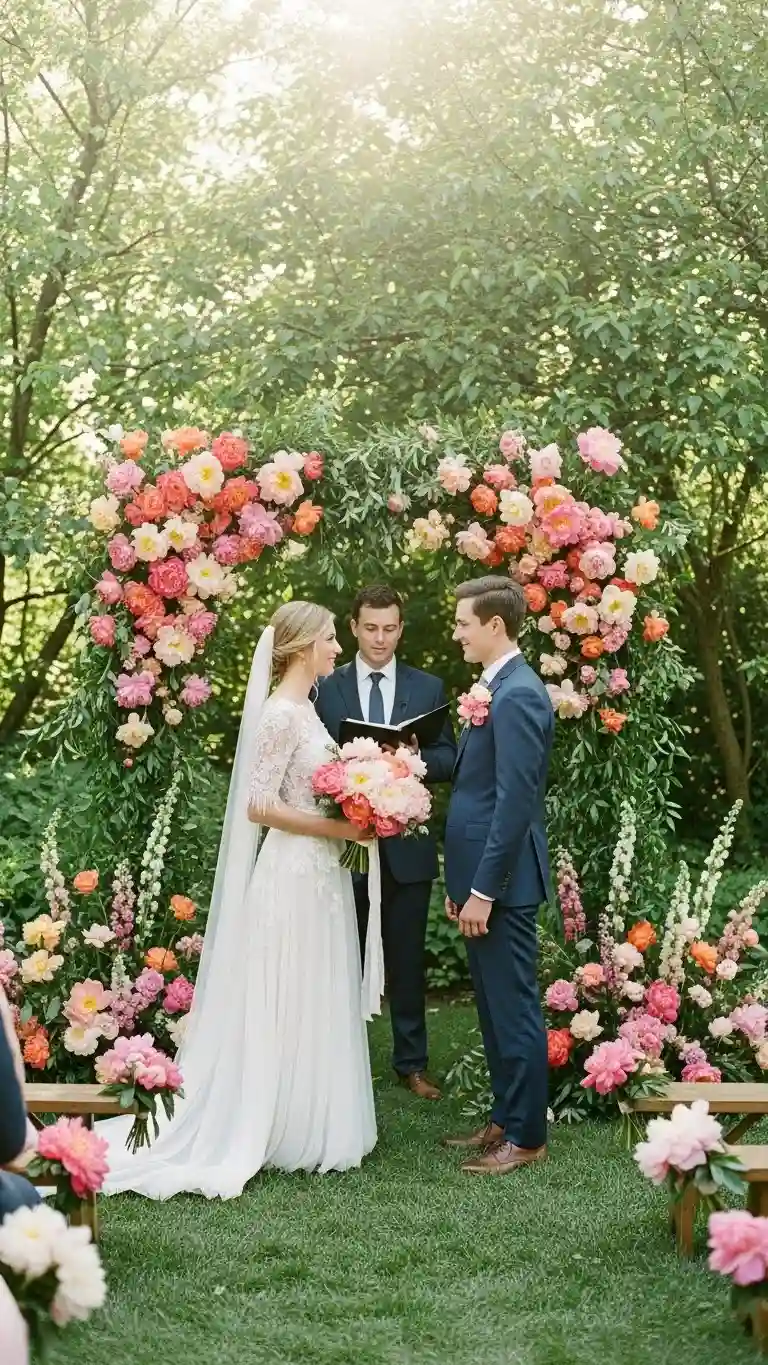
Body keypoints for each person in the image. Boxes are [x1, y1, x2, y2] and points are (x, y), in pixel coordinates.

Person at [100, 602, 377, 1199]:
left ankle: (308, 1118)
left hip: (321, 876)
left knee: (314, 987)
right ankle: (269, 1121)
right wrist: (341, 830)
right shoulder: (279, 715)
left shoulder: (307, 711)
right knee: (284, 990)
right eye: (331, 639)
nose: (338, 648)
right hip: (293, 872)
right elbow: (258, 805)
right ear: (303, 647)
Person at [316, 585, 456, 1100]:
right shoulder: (326, 686)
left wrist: (416, 757)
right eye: (370, 628)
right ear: (353, 626)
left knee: (406, 959)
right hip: (341, 846)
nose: (380, 638)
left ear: (401, 627)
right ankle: (338, 1061)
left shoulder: (428, 687)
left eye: (390, 628)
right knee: (337, 956)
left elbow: (451, 758)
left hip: (406, 849)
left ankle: (411, 1063)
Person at [442, 576, 553, 1175]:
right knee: (490, 1006)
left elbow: (514, 803)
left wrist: (483, 890)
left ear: (494, 627)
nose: (456, 632)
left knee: (513, 1008)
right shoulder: (495, 687)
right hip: (478, 882)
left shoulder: (520, 695)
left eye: (463, 623)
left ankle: (528, 1135)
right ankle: (505, 1118)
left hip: (502, 886)